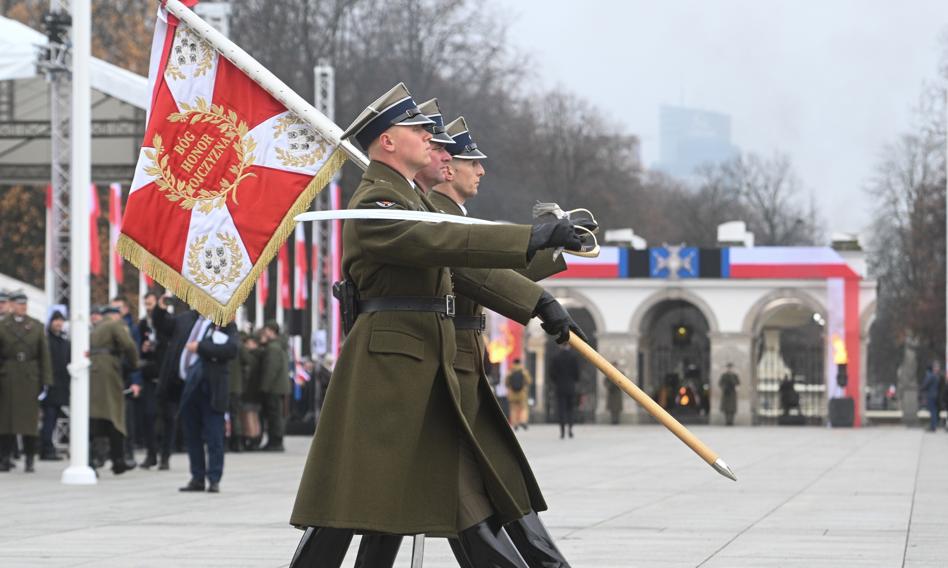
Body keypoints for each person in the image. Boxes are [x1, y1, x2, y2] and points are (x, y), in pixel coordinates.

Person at [288, 83, 586, 568]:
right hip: (389, 372)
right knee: (353, 508)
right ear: (387, 141)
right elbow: (441, 240)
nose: (431, 140)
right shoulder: (377, 202)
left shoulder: (407, 199)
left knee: (392, 505)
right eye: (418, 131)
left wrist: (539, 301)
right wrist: (530, 237)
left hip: (421, 366)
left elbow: (468, 267)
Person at [423, 107, 573, 567]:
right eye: (473, 163)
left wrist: (555, 244)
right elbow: (477, 271)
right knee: (474, 489)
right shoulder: (439, 216)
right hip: (448, 365)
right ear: (447, 168)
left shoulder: (453, 215)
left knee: (489, 484)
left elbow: (497, 267)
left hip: (464, 361)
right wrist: (539, 301)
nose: (481, 171)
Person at [175, 313, 238, 493]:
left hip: (212, 390)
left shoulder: (225, 324)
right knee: (192, 435)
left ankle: (214, 478)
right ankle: (197, 477)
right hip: (190, 387)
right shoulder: (192, 322)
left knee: (214, 436)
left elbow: (231, 349)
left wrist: (201, 347)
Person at [0, 291, 52, 473]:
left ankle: (30, 459)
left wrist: (46, 380)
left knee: (29, 423)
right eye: (19, 304)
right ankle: (5, 458)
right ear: (12, 306)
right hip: (9, 376)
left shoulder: (36, 326)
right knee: (6, 422)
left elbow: (44, 355)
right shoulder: (3, 326)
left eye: (24, 304)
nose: (22, 307)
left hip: (30, 377)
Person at [89, 305, 141, 475]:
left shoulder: (95, 328)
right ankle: (118, 460)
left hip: (93, 372)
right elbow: (128, 344)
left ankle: (91, 459)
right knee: (115, 416)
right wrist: (135, 364)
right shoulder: (114, 325)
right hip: (109, 372)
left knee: (95, 417)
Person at [41, 311, 70, 460]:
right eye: (56, 320)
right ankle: (46, 448)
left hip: (61, 386)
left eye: (61, 321)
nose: (59, 323)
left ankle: (46, 447)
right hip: (49, 386)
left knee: (53, 418)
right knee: (49, 417)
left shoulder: (64, 341)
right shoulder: (46, 340)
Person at [258, 321, 289, 452]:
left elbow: (271, 369)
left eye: (266, 331)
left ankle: (275, 442)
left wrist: (264, 387)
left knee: (274, 416)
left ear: (271, 331)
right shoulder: (278, 346)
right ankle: (275, 441)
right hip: (278, 387)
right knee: (275, 415)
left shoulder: (273, 348)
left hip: (273, 388)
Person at [550, 343, 581, 439]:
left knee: (561, 410)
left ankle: (562, 431)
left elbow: (551, 373)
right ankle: (570, 429)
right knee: (570, 409)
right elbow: (577, 373)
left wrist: (557, 381)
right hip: (570, 387)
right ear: (569, 346)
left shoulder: (556, 357)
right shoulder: (573, 357)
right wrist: (573, 380)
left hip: (560, 387)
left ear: (560, 346)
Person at [504, 359, 533, 431]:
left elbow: (506, 383)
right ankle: (522, 421)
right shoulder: (523, 371)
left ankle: (515, 424)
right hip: (522, 394)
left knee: (513, 409)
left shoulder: (510, 372)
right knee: (524, 408)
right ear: (520, 363)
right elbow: (529, 381)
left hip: (512, 394)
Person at [921, 361, 942, 432]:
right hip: (935, 395)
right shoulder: (937, 376)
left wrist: (922, 388)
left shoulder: (931, 376)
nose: (937, 368)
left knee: (933, 411)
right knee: (934, 411)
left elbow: (925, 385)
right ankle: (933, 425)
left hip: (931, 395)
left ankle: (933, 426)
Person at [718, 362, 740, 426]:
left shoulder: (735, 375)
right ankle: (727, 421)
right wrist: (724, 387)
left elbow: (737, 383)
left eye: (731, 368)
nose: (730, 369)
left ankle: (731, 421)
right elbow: (720, 383)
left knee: (732, 408)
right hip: (726, 393)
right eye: (728, 367)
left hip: (732, 393)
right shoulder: (724, 375)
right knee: (726, 408)